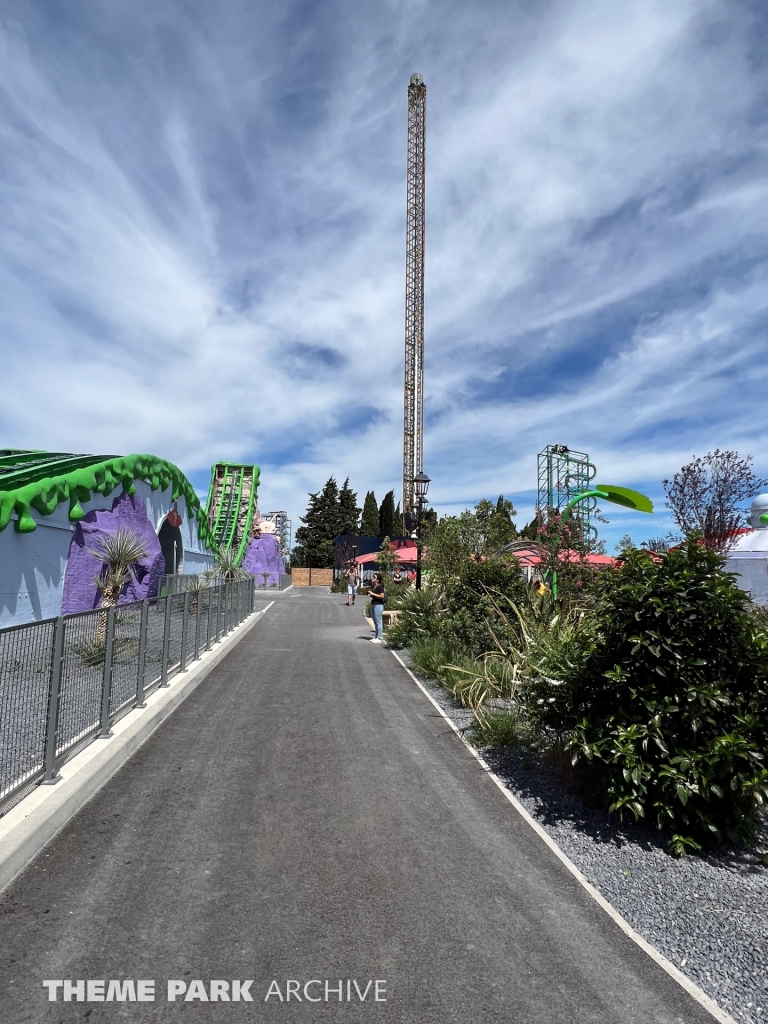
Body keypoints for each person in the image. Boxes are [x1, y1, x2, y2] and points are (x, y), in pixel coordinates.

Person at [368, 572, 386, 643]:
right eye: (373, 576)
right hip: (373, 604)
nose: (372, 578)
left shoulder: (380, 586)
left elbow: (382, 596)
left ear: (377, 580)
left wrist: (372, 594)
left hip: (378, 605)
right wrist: (371, 595)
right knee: (375, 621)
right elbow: (375, 595)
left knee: (378, 622)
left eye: (374, 577)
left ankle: (379, 637)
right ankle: (376, 636)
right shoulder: (373, 586)